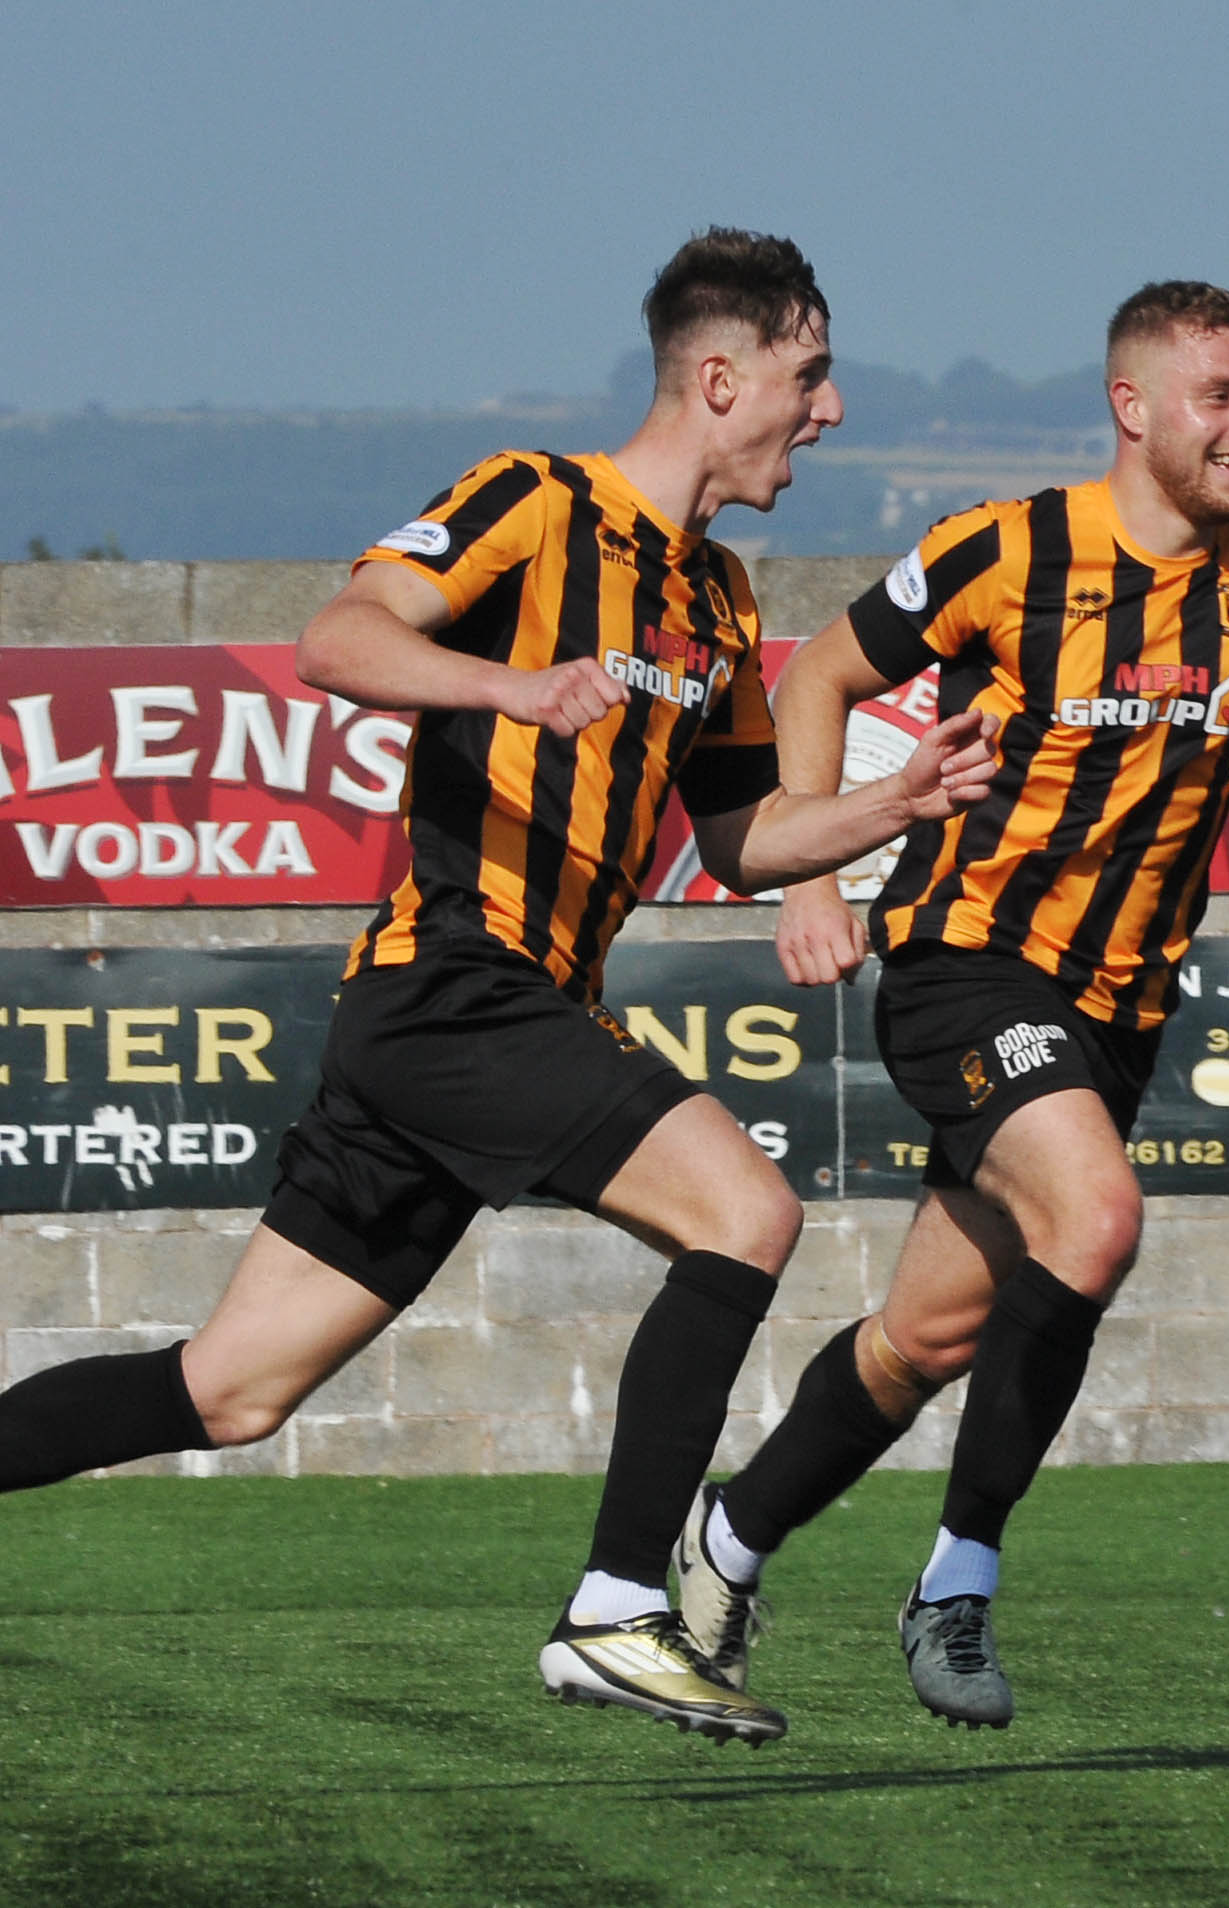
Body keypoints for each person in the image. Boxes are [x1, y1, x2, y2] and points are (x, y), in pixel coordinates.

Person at [0, 228, 997, 1748]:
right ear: (721, 379)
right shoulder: (535, 503)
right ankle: (615, 1608)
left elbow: (739, 839)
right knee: (748, 1211)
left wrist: (891, 805)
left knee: (229, 1391)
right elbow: (338, 637)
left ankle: (614, 1607)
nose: (834, 410)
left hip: (483, 1019)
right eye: (812, 375)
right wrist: (508, 687)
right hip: (453, 988)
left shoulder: (719, 596)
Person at [670, 279, 1229, 1729]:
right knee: (1096, 1216)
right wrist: (805, 867)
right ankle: (955, 1585)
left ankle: (722, 1543)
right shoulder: (1009, 550)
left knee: (925, 1340)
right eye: (1222, 397)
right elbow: (820, 675)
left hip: (1120, 1008)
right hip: (966, 963)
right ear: (1132, 407)